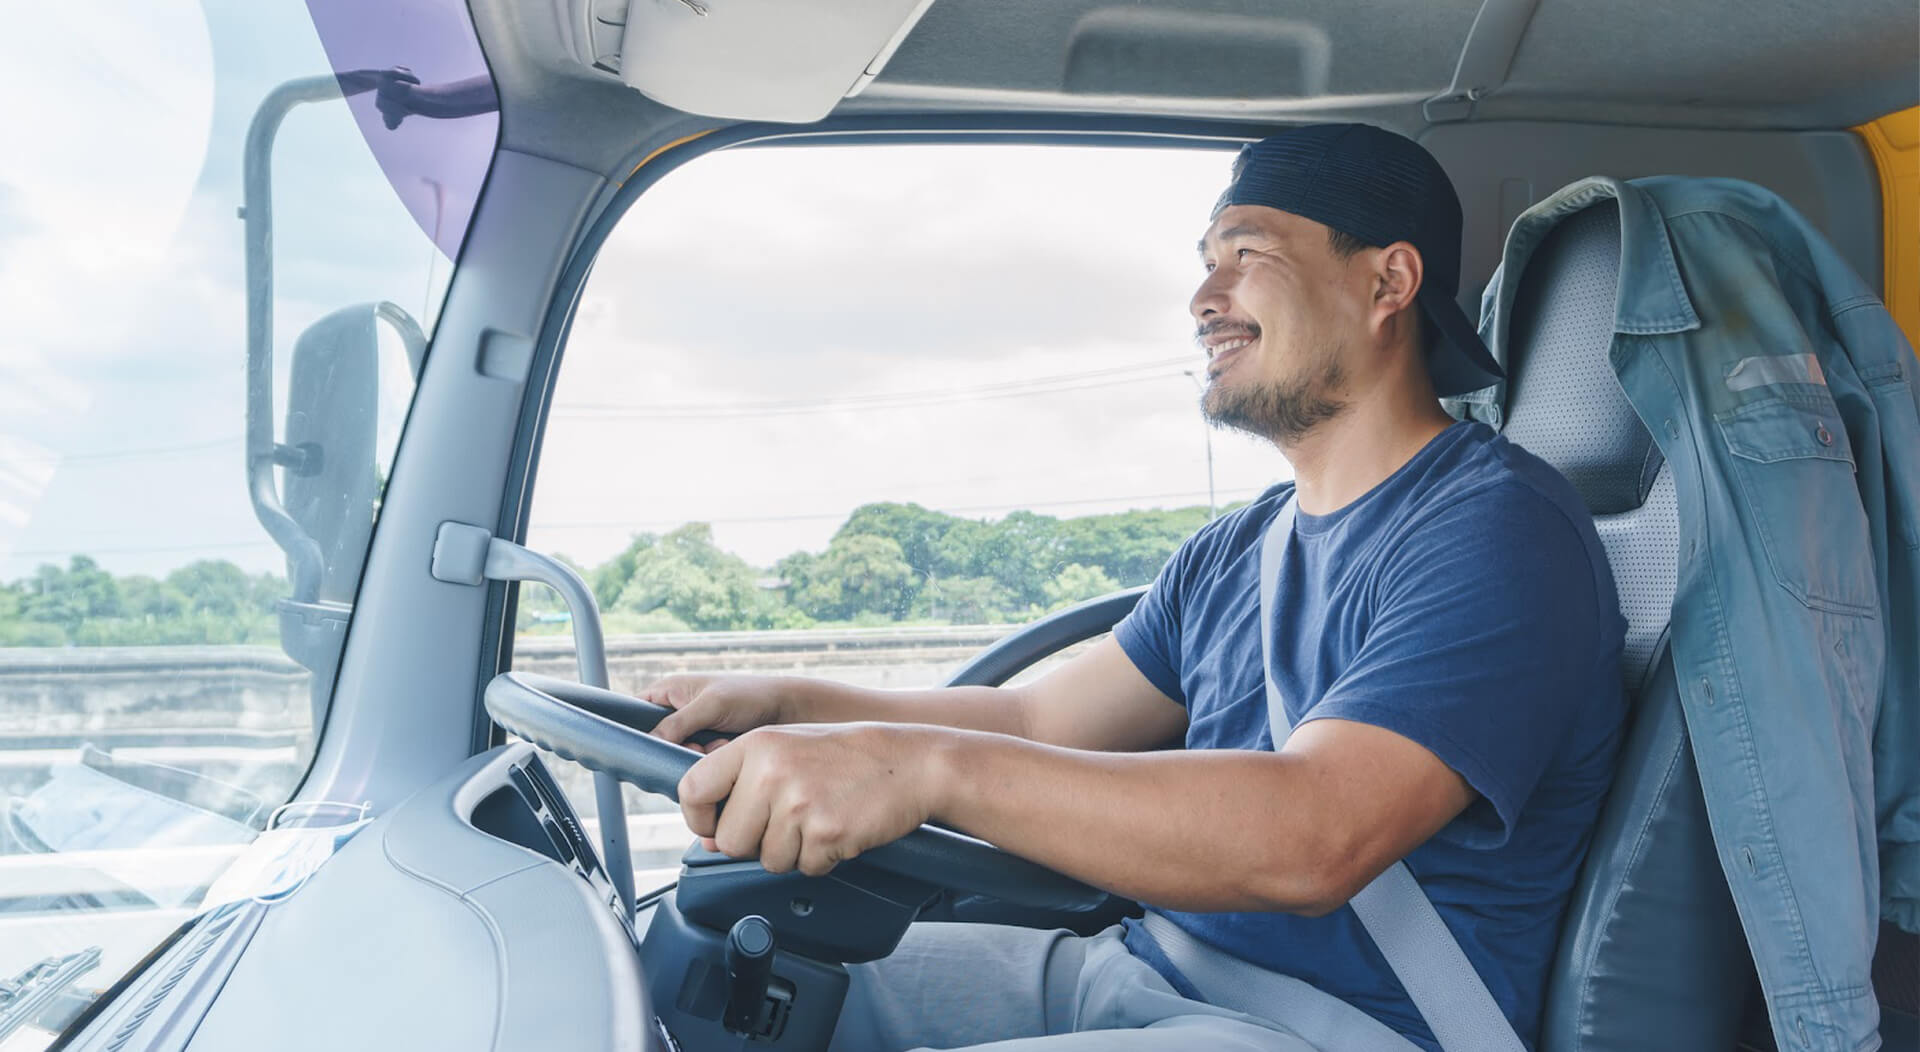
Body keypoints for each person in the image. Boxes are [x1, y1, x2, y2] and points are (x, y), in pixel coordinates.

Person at [642, 124, 1628, 1051]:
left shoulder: (1500, 529)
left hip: (1325, 1029)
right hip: (1144, 966)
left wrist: (923, 769)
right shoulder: (1239, 547)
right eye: (1205, 259)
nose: (1204, 295)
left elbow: (1316, 831)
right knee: (710, 982)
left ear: (1388, 280)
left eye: (1247, 254)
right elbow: (1031, 716)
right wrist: (788, 706)